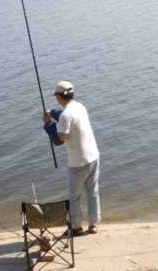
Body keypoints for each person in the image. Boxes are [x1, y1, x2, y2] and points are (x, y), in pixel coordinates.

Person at [42, 80, 101, 235]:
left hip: (78, 163)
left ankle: (76, 227)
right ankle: (93, 225)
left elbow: (59, 140)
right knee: (92, 192)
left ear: (59, 97)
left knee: (73, 197)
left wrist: (48, 125)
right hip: (93, 157)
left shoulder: (65, 116)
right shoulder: (80, 107)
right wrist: (53, 113)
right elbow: (65, 116)